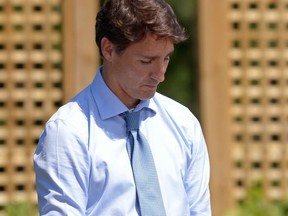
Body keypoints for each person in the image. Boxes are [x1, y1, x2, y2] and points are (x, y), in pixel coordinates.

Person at [34, 0, 211, 215]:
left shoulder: (184, 124)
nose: (160, 74)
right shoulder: (68, 132)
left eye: (166, 58)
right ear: (108, 49)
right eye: (146, 61)